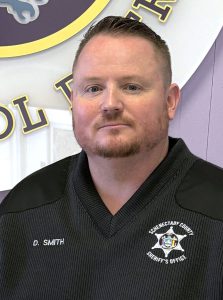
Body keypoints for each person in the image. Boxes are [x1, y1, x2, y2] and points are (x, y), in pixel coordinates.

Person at [1, 16, 223, 300]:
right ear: (74, 103)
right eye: (93, 89)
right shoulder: (22, 211)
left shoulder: (217, 210)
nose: (110, 105)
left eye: (131, 87)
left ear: (170, 101)